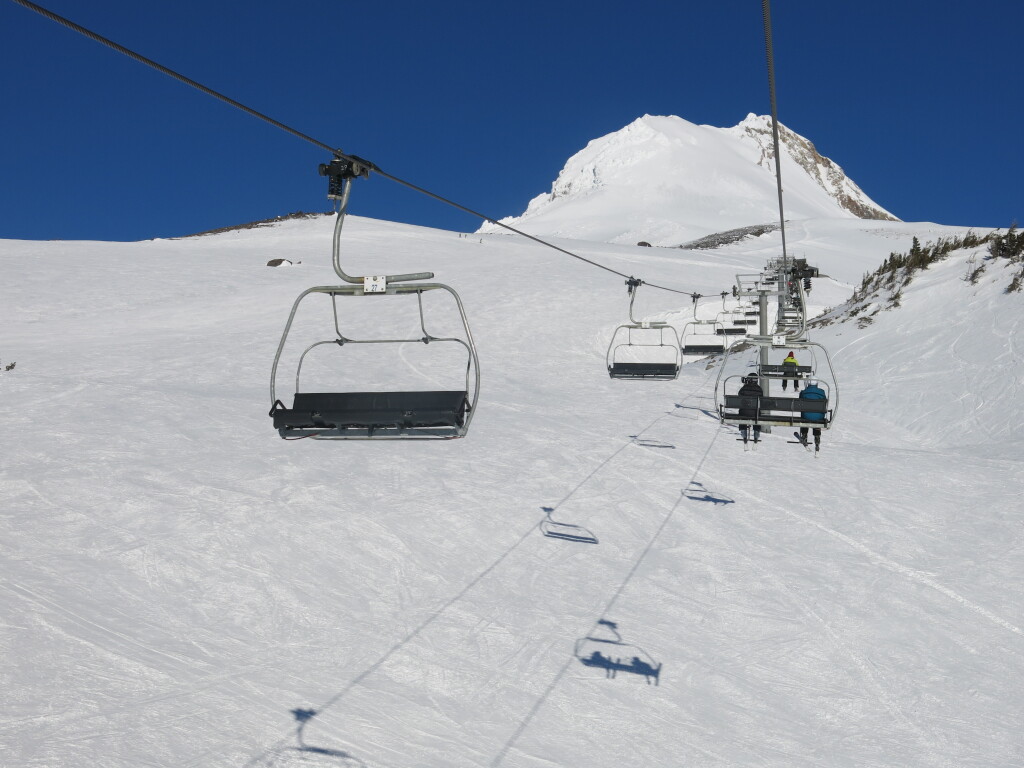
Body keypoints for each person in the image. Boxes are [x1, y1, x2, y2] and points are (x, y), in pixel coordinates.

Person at [796, 379, 827, 451]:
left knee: (806, 415)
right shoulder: (822, 392)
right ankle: (817, 437)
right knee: (816, 418)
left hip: (806, 416)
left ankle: (804, 435)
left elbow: (799, 402)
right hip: (819, 417)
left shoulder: (803, 392)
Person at [737, 373, 763, 445]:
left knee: (742, 413)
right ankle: (756, 433)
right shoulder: (759, 389)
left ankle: (743, 431)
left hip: (744, 412)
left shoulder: (744, 389)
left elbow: (739, 398)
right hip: (755, 413)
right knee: (757, 415)